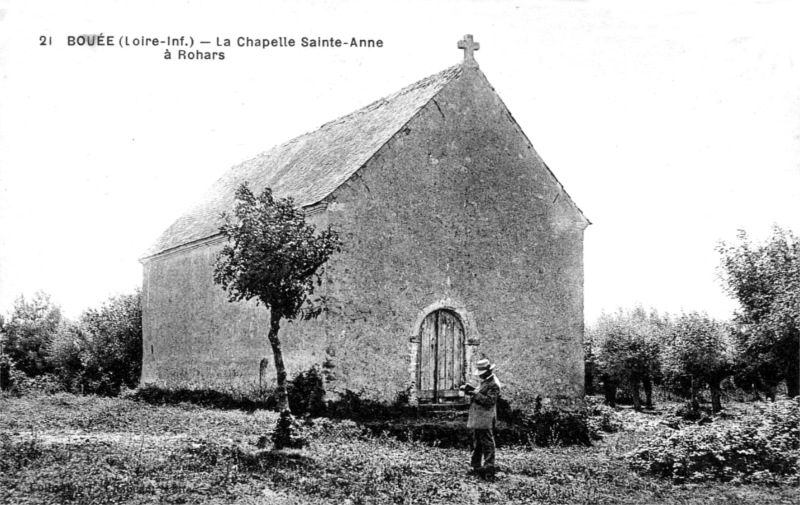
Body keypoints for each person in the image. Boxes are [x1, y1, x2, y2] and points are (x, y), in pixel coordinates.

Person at [461, 358, 502, 475]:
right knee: (477, 442)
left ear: (489, 371)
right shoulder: (486, 382)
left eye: (482, 374)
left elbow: (490, 401)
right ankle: (475, 465)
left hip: (485, 418)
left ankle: (489, 466)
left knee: (487, 442)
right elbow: (481, 393)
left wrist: (475, 393)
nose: (481, 376)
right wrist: (470, 390)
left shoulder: (494, 384)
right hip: (479, 417)